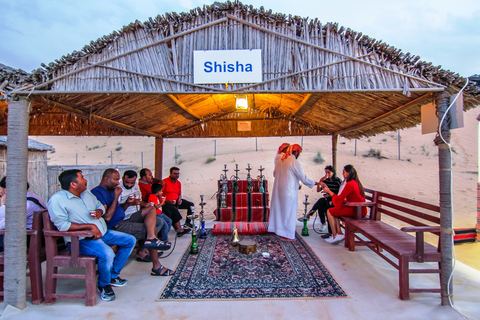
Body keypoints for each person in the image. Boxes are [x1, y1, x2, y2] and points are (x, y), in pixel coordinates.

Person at [47, 169, 136, 301]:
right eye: (82, 178)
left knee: (130, 240)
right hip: (80, 240)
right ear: (73, 184)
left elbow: (100, 205)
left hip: (102, 233)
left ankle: (112, 275)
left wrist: (100, 211)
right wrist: (90, 226)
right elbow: (63, 226)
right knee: (107, 253)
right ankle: (104, 285)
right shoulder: (58, 200)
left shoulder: (86, 194)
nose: (86, 180)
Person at [92, 169, 174, 277]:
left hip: (125, 219)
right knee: (149, 227)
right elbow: (107, 217)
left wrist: (127, 204)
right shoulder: (97, 192)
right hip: (115, 226)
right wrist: (116, 196)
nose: (118, 183)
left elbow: (117, 209)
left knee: (151, 210)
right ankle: (157, 267)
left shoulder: (111, 190)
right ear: (106, 179)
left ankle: (151, 238)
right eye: (116, 180)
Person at [118, 170, 172, 263]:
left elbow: (138, 200)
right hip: (124, 218)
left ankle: (147, 247)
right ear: (122, 178)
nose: (130, 185)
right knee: (150, 227)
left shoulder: (135, 185)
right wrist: (127, 204)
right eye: (127, 182)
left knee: (158, 220)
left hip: (135, 214)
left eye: (132, 183)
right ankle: (142, 252)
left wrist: (145, 204)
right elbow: (116, 210)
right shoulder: (118, 189)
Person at [268, 144, 318, 241]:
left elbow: (275, 173)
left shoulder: (280, 160)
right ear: (296, 152)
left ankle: (280, 231)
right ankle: (287, 235)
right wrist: (315, 183)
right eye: (299, 152)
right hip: (289, 191)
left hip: (279, 190)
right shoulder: (293, 161)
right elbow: (303, 178)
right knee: (289, 213)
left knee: (281, 212)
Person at [138, 168, 190, 237]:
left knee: (174, 210)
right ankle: (176, 230)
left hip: (161, 202)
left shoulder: (151, 182)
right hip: (154, 206)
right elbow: (143, 199)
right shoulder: (141, 186)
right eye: (150, 175)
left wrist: (158, 181)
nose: (152, 176)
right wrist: (154, 195)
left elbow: (157, 181)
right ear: (144, 177)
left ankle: (182, 227)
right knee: (171, 211)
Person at [322, 164, 366, 244]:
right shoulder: (355, 182)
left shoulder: (350, 184)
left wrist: (328, 191)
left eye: (344, 172)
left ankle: (335, 235)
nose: (343, 174)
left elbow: (340, 198)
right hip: (357, 209)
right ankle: (338, 233)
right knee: (334, 210)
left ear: (349, 173)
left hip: (356, 210)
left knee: (330, 211)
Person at [0, 177, 46, 251]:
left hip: (28, 238)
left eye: (3, 188)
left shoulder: (26, 204)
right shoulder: (31, 196)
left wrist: (3, 204)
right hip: (31, 236)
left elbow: (4, 224)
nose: (2, 191)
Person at [297, 165, 342, 235]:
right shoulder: (326, 181)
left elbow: (339, 194)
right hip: (326, 199)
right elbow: (318, 190)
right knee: (321, 204)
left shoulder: (338, 181)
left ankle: (309, 214)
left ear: (333, 172)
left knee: (322, 203)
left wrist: (330, 195)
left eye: (329, 172)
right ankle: (322, 223)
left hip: (334, 200)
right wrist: (320, 181)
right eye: (326, 172)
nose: (327, 174)